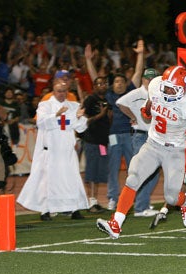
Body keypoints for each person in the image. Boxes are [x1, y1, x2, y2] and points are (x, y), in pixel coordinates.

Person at [96, 65, 186, 239]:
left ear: (182, 89)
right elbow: (149, 107)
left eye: (171, 88)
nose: (166, 90)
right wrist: (146, 109)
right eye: (165, 86)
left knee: (171, 197)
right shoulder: (156, 85)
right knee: (133, 177)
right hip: (153, 144)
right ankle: (116, 224)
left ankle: (185, 200)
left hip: (174, 151)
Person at [17, 78, 88, 220]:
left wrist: (80, 118)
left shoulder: (73, 105)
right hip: (51, 150)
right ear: (53, 92)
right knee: (48, 181)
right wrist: (57, 115)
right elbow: (41, 123)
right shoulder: (45, 105)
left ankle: (74, 209)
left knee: (71, 178)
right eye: (58, 91)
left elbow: (81, 127)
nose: (61, 94)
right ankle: (45, 210)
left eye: (64, 91)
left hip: (67, 149)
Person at [85, 39, 144, 211]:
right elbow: (95, 78)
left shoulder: (130, 93)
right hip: (112, 137)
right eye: (116, 82)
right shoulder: (108, 94)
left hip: (130, 136)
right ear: (113, 84)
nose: (119, 84)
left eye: (122, 82)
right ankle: (112, 198)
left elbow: (138, 73)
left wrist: (140, 55)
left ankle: (133, 197)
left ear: (126, 84)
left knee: (133, 168)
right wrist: (89, 60)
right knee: (113, 169)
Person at [116, 68, 160, 217]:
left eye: (153, 79)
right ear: (143, 80)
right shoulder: (136, 93)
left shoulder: (158, 94)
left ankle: (142, 203)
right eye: (148, 79)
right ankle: (141, 207)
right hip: (141, 136)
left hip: (154, 137)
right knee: (143, 171)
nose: (150, 81)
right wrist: (133, 116)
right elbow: (120, 102)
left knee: (153, 172)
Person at [81, 76, 110, 213]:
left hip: (102, 142)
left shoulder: (106, 101)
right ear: (94, 87)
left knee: (99, 171)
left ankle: (95, 200)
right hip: (91, 140)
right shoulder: (90, 100)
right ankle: (91, 201)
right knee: (91, 170)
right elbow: (83, 119)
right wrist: (100, 115)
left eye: (104, 83)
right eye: (99, 84)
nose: (102, 85)